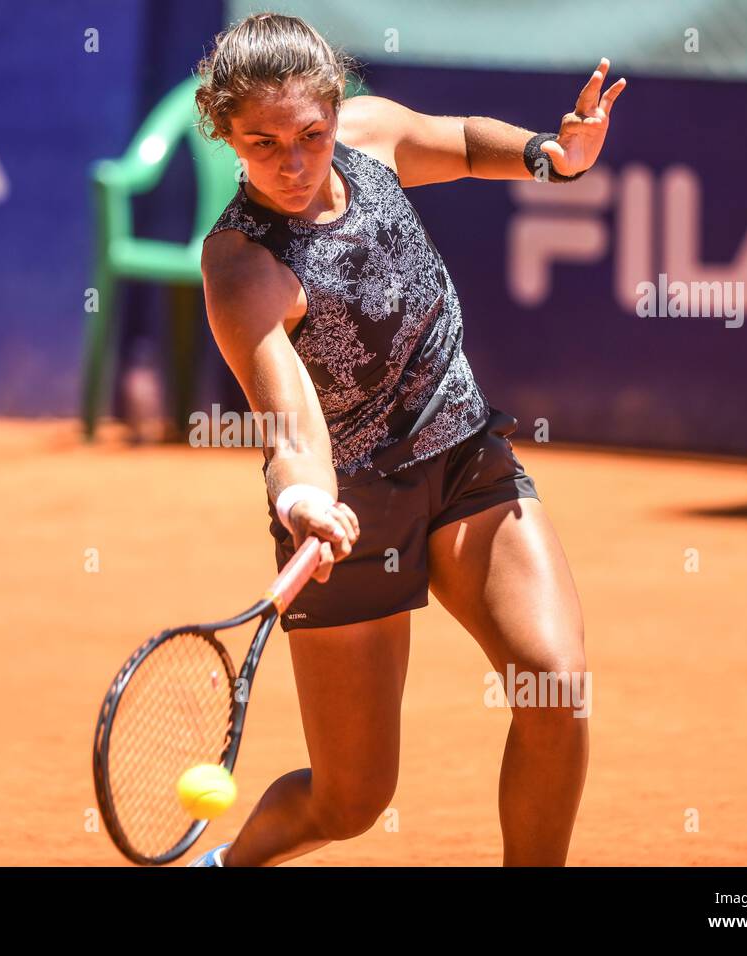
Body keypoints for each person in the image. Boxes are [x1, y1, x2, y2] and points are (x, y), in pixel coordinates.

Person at [187, 13, 625, 867]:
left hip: (464, 458)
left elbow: (458, 141)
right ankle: (229, 865)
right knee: (351, 801)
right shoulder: (241, 266)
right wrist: (303, 496)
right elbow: (290, 419)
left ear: (336, 110)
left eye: (311, 133)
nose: (293, 161)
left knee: (556, 686)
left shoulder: (373, 136)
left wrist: (549, 153)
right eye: (261, 142)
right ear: (225, 135)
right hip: (348, 515)